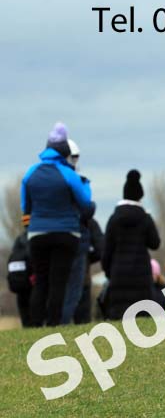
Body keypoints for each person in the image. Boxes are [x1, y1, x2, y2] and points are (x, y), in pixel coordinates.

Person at [21, 122, 94, 326]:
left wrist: (30, 227)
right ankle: (54, 325)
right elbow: (85, 203)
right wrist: (86, 186)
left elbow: (25, 205)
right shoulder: (69, 174)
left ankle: (35, 325)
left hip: (37, 234)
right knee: (58, 282)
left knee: (41, 280)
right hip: (66, 234)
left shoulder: (30, 173)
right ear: (66, 153)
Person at [101, 170, 161, 320]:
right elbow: (155, 243)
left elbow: (107, 249)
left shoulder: (114, 219)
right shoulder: (145, 218)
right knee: (142, 316)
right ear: (140, 196)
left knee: (119, 316)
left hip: (119, 273)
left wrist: (109, 271)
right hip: (141, 274)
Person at [60, 139, 104, 324]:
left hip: (59, 261)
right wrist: (88, 255)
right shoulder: (88, 221)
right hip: (80, 265)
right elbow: (101, 248)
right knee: (80, 311)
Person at [7, 225, 34, 327]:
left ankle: (27, 326)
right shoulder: (35, 237)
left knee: (23, 303)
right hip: (31, 279)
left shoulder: (19, 239)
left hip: (18, 280)